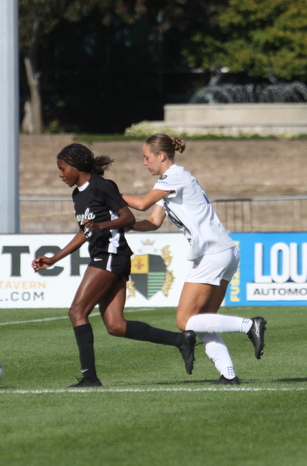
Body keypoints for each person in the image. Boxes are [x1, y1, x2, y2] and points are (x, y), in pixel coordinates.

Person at [31, 143, 196, 388]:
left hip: (110, 255)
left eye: (62, 168)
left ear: (76, 166)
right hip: (106, 256)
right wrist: (54, 258)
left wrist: (101, 226)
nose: (60, 174)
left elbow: (127, 217)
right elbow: (82, 232)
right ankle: (181, 341)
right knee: (116, 326)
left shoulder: (102, 186)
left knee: (77, 312)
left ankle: (90, 378)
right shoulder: (78, 194)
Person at [122, 133, 266, 385]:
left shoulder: (173, 176)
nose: (144, 163)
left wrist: (108, 192)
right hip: (224, 251)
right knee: (202, 322)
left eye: (146, 157)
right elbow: (154, 222)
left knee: (184, 321)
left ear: (161, 155)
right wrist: (127, 226)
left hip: (212, 254)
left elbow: (143, 203)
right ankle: (228, 375)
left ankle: (249, 325)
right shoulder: (169, 183)